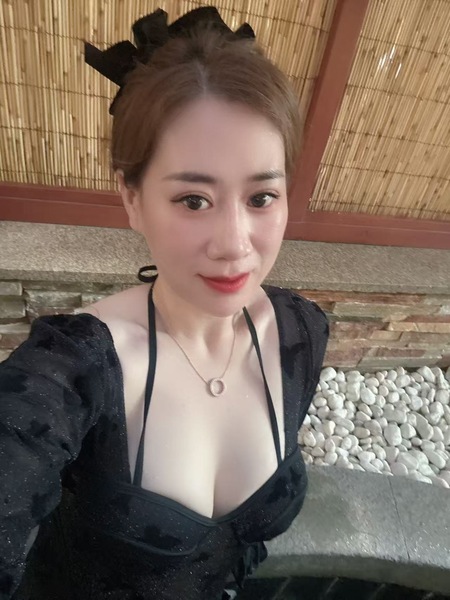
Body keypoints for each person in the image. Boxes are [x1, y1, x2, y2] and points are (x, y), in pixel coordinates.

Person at [0, 7, 329, 600]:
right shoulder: (77, 369)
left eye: (261, 196)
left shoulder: (299, 334)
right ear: (132, 198)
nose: (235, 245)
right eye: (194, 200)